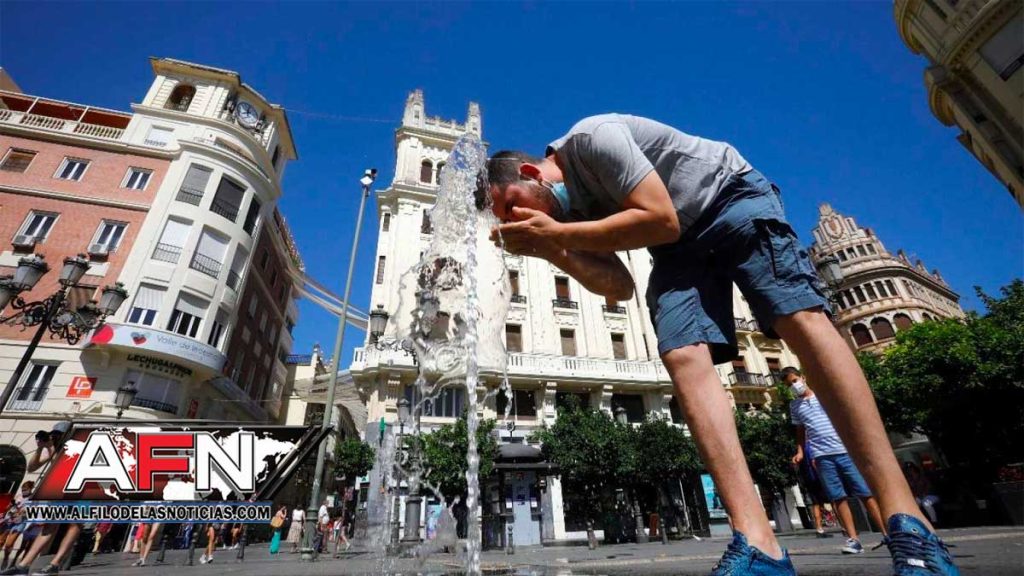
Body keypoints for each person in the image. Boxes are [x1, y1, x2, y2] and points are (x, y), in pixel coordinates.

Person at [482, 114, 960, 576]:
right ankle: (758, 542)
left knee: (798, 318)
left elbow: (659, 217)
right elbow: (618, 286)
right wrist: (554, 249)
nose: (518, 218)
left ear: (530, 173)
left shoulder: (592, 137)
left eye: (513, 204)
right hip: (676, 246)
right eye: (508, 218)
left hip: (729, 195)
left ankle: (908, 522)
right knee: (681, 352)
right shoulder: (570, 215)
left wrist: (558, 234)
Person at [786, 366, 886, 554]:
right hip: (821, 455)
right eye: (789, 385)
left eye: (794, 380)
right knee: (837, 497)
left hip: (845, 450)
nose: (793, 386)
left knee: (865, 493)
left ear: (803, 377)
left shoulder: (823, 396)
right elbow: (800, 431)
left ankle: (887, 534)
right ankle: (853, 539)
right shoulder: (794, 406)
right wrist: (800, 451)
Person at [1, 422, 83, 576]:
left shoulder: (77, 447)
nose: (55, 437)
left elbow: (62, 466)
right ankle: (24, 565)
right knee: (49, 526)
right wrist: (40, 448)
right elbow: (32, 468)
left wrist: (51, 447)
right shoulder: (54, 449)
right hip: (59, 492)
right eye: (54, 435)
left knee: (75, 524)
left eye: (59, 435)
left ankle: (55, 564)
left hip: (80, 491)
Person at [793, 441, 834, 539]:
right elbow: (814, 462)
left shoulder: (800, 450)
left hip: (808, 478)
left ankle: (819, 529)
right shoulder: (810, 446)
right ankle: (845, 527)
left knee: (816, 503)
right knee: (834, 500)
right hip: (817, 477)